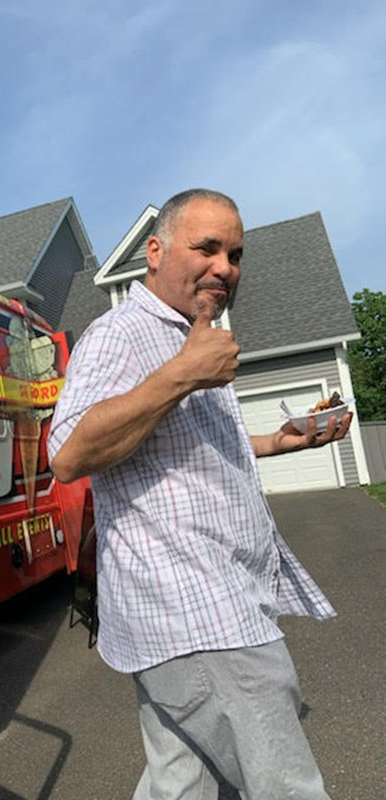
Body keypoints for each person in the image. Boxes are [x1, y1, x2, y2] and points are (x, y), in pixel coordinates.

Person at [47, 189, 353, 800]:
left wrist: (278, 441)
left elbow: (190, 450)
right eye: (206, 247)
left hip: (187, 617)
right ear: (154, 253)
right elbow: (69, 454)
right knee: (287, 788)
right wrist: (185, 372)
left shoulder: (193, 338)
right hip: (200, 611)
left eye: (235, 254)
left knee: (181, 785)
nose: (225, 267)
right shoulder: (123, 334)